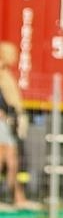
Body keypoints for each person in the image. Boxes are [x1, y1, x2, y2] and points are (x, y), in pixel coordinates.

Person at [0, 41, 28, 207]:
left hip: (10, 119)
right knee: (4, 157)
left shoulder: (6, 73)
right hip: (2, 120)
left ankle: (17, 198)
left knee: (12, 160)